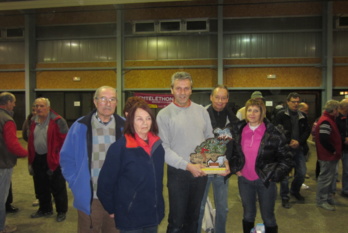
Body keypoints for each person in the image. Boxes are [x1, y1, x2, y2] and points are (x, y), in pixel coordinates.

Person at [60, 86, 125, 233]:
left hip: (117, 197)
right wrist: (76, 183)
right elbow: (66, 158)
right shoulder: (80, 126)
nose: (108, 103)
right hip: (90, 197)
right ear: (95, 102)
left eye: (112, 99)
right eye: (103, 99)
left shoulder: (126, 127)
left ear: (116, 102)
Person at [156, 72, 214, 233]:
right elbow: (164, 149)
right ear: (171, 90)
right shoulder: (164, 115)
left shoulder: (202, 111)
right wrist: (188, 166)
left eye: (186, 88)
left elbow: (209, 138)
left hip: (201, 172)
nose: (182, 92)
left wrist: (216, 161)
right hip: (178, 174)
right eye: (178, 88)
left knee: (194, 219)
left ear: (191, 90)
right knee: (176, 221)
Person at [98, 102, 165, 233]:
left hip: (152, 214)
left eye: (148, 118)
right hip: (130, 216)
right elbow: (104, 184)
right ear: (131, 121)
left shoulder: (158, 147)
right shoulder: (119, 148)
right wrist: (111, 209)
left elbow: (158, 182)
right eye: (139, 119)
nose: (145, 123)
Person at [228, 98, 292, 233]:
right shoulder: (238, 131)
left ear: (262, 113)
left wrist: (274, 175)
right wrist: (236, 168)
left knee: (268, 217)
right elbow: (233, 153)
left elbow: (286, 159)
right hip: (245, 180)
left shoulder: (273, 133)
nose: (252, 113)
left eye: (256, 111)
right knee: (248, 214)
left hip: (265, 181)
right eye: (249, 110)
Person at [197, 85, 238, 233]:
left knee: (222, 208)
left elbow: (237, 144)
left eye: (223, 98)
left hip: (223, 169)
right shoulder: (201, 114)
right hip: (204, 167)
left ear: (227, 99)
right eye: (217, 97)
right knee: (200, 207)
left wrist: (235, 166)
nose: (220, 101)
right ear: (211, 97)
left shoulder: (233, 119)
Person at [28, 97, 69, 222]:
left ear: (48, 107)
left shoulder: (58, 121)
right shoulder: (33, 121)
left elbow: (66, 141)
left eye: (41, 106)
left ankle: (61, 211)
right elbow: (29, 138)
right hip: (37, 158)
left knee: (58, 187)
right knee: (40, 186)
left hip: (53, 158)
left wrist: (60, 158)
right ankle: (45, 209)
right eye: (36, 106)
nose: (38, 108)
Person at [274, 92, 310, 208]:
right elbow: (277, 130)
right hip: (285, 149)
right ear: (287, 102)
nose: (295, 104)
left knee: (301, 173)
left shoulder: (303, 116)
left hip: (299, 148)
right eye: (293, 102)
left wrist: (299, 141)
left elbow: (306, 131)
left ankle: (294, 190)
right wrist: (289, 141)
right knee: (285, 175)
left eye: (297, 102)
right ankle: (285, 197)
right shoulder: (280, 115)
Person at [0, 92, 28, 233]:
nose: (15, 105)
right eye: (14, 102)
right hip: (3, 164)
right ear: (8, 103)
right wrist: (26, 153)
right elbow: (12, 144)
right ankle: (1, 227)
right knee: (1, 197)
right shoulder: (7, 120)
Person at [315, 100, 341, 211]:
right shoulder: (326, 121)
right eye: (337, 109)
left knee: (329, 179)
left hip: (330, 155)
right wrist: (333, 150)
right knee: (325, 179)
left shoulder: (329, 120)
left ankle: (327, 198)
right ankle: (322, 200)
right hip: (327, 156)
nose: (338, 112)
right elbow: (324, 139)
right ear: (334, 110)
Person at [336, 98, 348, 198]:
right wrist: (344, 138)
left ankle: (346, 190)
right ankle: (330, 192)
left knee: (347, 170)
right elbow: (334, 133)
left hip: (346, 148)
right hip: (336, 147)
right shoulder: (336, 118)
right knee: (332, 171)